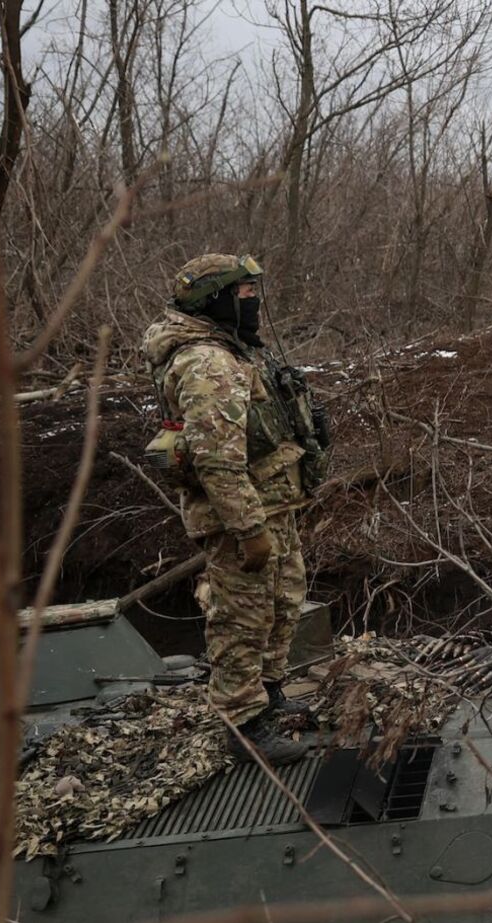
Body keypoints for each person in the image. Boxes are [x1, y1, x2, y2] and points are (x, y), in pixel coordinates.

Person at [141, 253, 316, 765]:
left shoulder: (231, 349)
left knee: (282, 600)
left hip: (270, 503)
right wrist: (247, 528)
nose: (254, 303)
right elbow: (217, 460)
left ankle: (267, 693)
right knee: (242, 616)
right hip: (241, 515)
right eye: (244, 295)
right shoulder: (207, 364)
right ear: (217, 300)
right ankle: (242, 723)